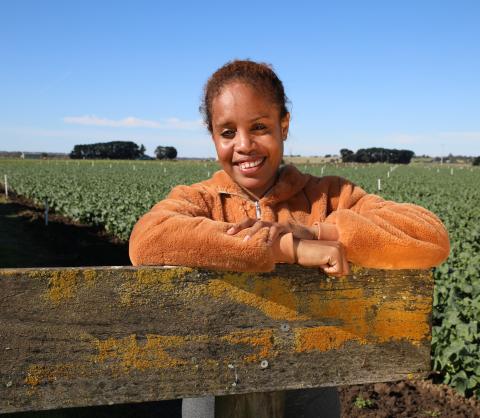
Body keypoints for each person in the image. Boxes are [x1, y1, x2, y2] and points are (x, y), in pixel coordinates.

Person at [129, 60, 450, 418]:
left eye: (260, 127)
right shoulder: (200, 200)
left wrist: (317, 231)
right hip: (213, 390)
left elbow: (429, 235)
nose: (245, 145)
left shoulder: (326, 196)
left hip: (310, 389)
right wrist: (287, 248)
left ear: (284, 125)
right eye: (228, 132)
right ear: (213, 137)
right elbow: (148, 239)